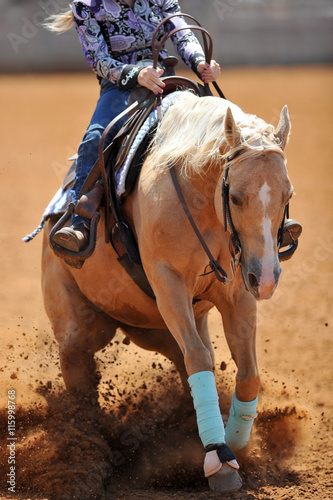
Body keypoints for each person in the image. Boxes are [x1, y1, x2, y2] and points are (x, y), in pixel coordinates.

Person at [46, 0, 221, 252]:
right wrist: (136, 74)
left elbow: (181, 31)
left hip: (164, 78)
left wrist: (200, 62)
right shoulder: (87, 6)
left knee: (224, 124)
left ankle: (260, 214)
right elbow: (98, 60)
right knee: (96, 137)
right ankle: (79, 222)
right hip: (120, 86)